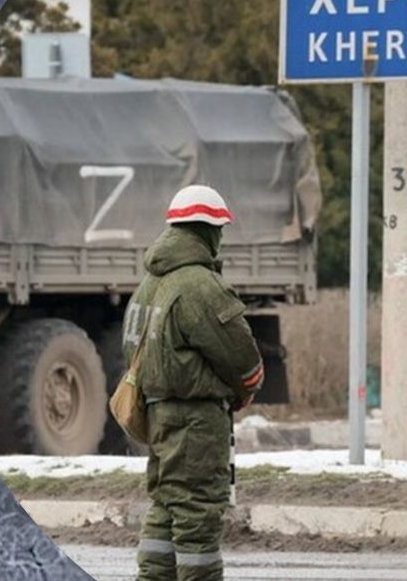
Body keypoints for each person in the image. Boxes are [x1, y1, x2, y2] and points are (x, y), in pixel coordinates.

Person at [124, 185, 264, 581]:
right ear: (206, 231)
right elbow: (241, 355)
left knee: (166, 503)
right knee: (198, 511)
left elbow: (131, 352)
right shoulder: (199, 285)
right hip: (196, 421)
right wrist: (246, 387)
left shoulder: (148, 285)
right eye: (218, 229)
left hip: (159, 414)